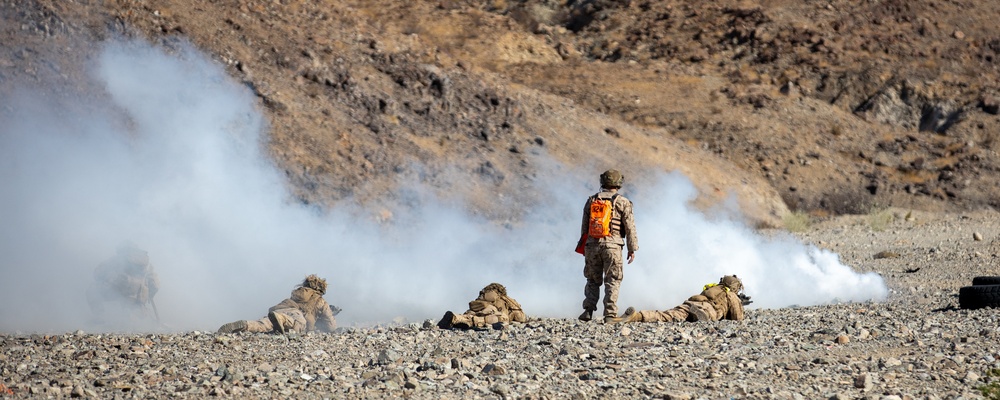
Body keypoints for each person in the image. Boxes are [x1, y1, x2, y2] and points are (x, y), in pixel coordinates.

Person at [579, 169, 639, 323]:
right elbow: (630, 227)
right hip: (613, 247)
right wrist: (632, 249)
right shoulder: (623, 202)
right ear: (619, 183)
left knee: (592, 279)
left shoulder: (591, 200)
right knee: (613, 279)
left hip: (592, 245)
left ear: (602, 182)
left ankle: (588, 310)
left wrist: (585, 246)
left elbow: (584, 227)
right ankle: (610, 314)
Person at [217, 274, 338, 334]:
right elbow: (331, 326)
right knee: (298, 324)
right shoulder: (320, 300)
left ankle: (246, 325)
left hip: (280, 309)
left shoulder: (298, 293)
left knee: (264, 324)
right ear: (321, 290)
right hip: (295, 314)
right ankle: (281, 319)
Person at [609, 275, 750, 323]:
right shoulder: (730, 294)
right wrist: (739, 304)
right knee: (672, 319)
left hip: (691, 303)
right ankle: (700, 317)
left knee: (666, 315)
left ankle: (637, 316)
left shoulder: (713, 288)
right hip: (705, 310)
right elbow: (737, 318)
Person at [86, 241, 160, 322]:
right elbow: (155, 284)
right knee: (134, 310)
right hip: (139, 297)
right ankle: (140, 319)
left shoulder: (116, 259)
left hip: (120, 293)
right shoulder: (147, 264)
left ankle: (99, 316)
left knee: (92, 289)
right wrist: (149, 295)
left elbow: (97, 273)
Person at [438, 283, 527, 329]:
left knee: (471, 315)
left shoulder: (484, 296)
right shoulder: (505, 299)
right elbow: (520, 317)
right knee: (502, 318)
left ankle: (455, 318)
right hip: (491, 312)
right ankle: (470, 322)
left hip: (479, 310)